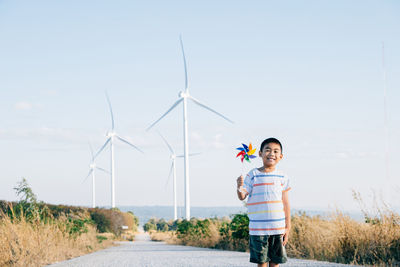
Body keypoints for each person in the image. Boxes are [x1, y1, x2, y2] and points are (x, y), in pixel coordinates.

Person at [236, 138, 291, 267]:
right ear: (260, 153)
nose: (271, 153)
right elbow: (242, 196)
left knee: (275, 263)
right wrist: (239, 186)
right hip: (258, 229)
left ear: (281, 156)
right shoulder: (253, 175)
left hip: (278, 228)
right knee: (261, 263)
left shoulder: (283, 177)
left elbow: (286, 203)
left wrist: (288, 227)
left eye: (276, 151)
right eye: (268, 150)